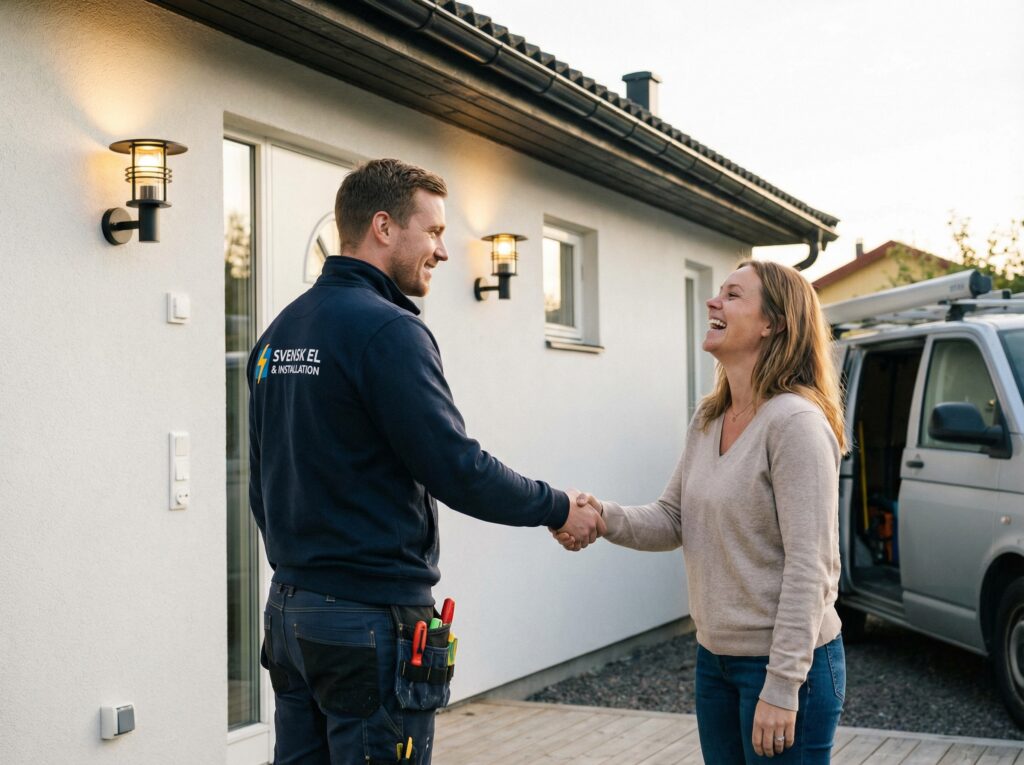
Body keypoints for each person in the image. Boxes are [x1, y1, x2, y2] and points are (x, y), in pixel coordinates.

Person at [247, 158, 604, 765]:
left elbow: (261, 479)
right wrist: (557, 506)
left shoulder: (280, 332)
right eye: (433, 231)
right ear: (383, 227)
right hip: (367, 621)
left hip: (291, 614)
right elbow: (455, 467)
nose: (442, 251)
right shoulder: (388, 331)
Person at [558, 259, 848, 762]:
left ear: (772, 324)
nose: (713, 302)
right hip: (714, 659)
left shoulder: (795, 423)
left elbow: (810, 566)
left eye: (733, 296)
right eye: (718, 293)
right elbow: (674, 518)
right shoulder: (709, 416)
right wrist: (600, 515)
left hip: (783, 668)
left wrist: (781, 686)